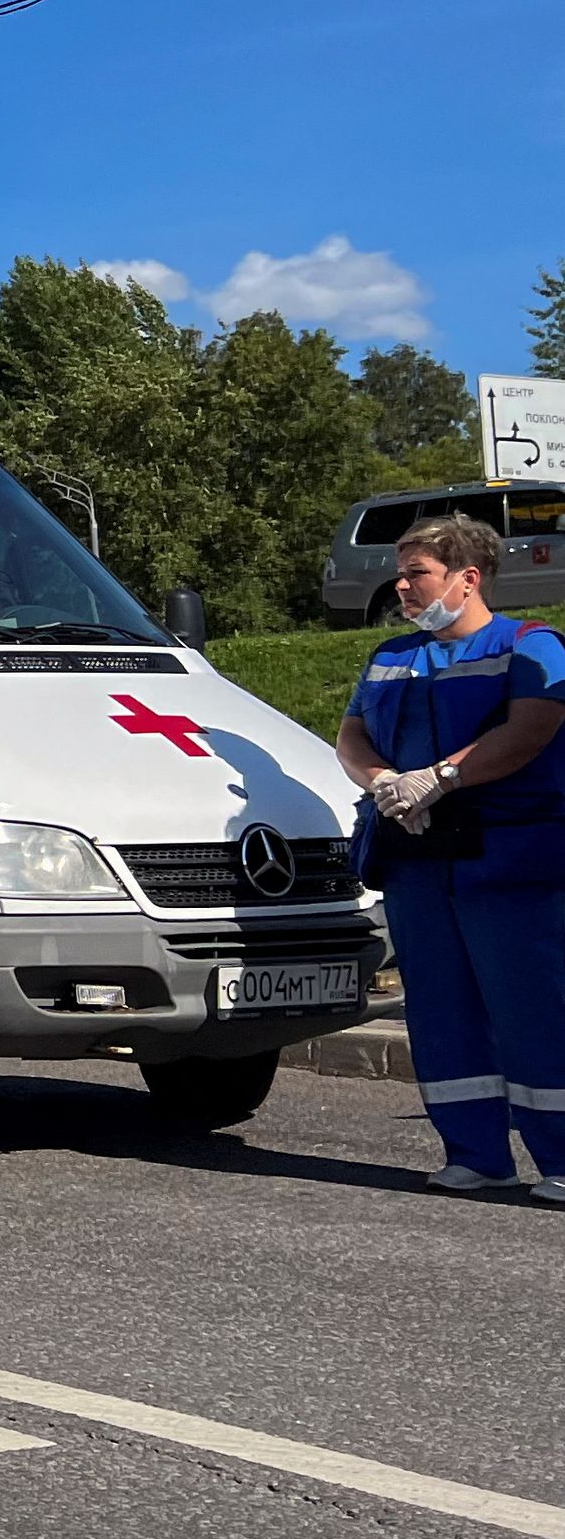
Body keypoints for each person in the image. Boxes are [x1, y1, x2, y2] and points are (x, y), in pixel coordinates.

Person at [336, 511, 565, 1202]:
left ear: (468, 578)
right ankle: (474, 1152)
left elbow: (531, 728)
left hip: (507, 855)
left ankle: (559, 1157)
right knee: (440, 1007)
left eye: (417, 573)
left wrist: (443, 775)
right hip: (417, 857)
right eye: (401, 573)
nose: (401, 585)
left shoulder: (534, 645)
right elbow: (351, 733)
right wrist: (381, 780)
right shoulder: (392, 656)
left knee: (534, 1006)